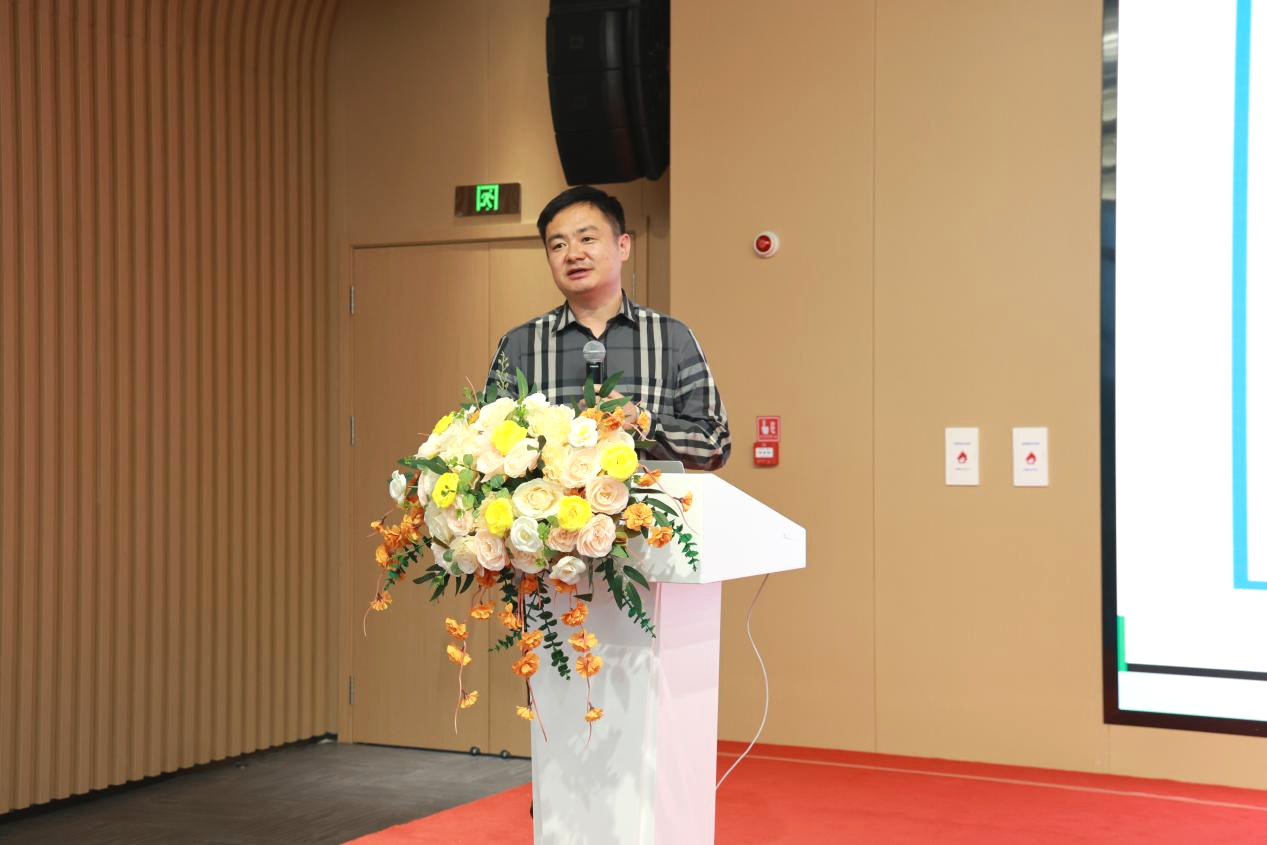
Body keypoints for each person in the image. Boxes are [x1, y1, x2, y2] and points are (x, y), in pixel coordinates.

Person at [485, 185, 730, 470]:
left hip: (648, 500)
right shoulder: (520, 344)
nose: (573, 254)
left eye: (587, 239)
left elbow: (715, 444)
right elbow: (487, 447)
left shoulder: (672, 338)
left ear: (623, 246)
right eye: (558, 245)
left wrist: (642, 422)